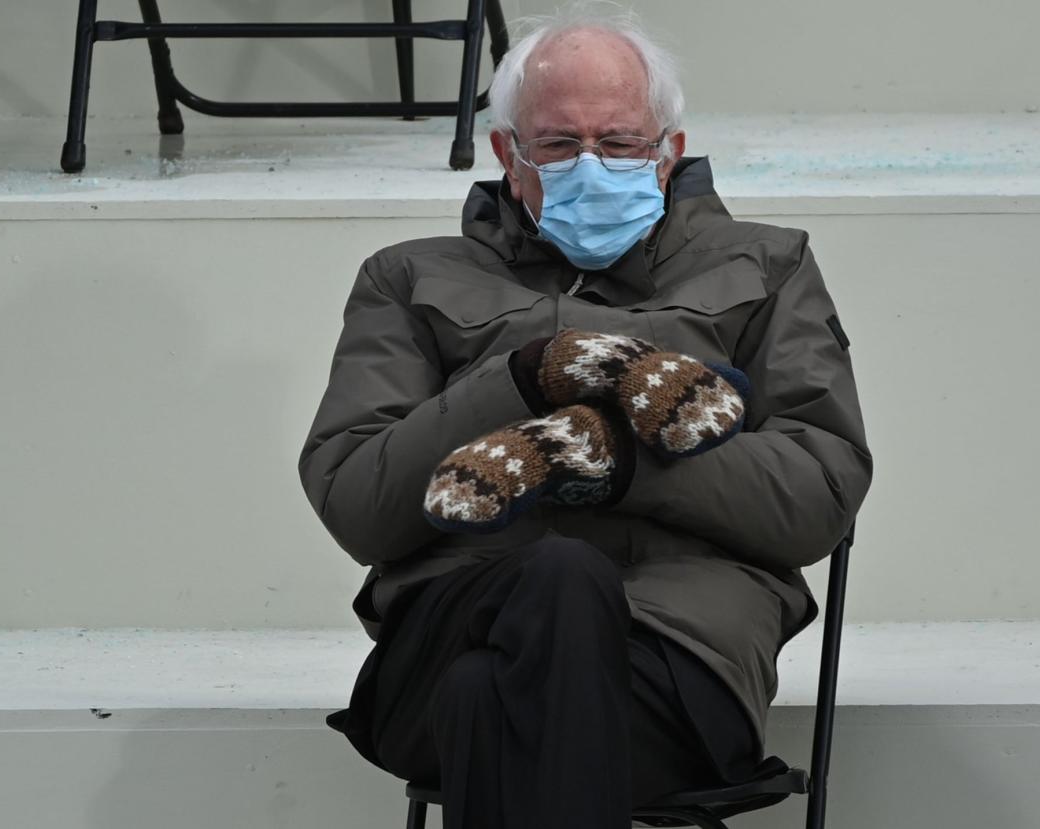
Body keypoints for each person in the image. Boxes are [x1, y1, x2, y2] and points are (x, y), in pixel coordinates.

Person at [298, 7, 872, 828]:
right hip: (454, 622)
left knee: (487, 695)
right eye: (561, 144)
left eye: (621, 142)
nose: (592, 165)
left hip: (672, 663)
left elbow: (817, 497)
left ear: (669, 151)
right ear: (508, 154)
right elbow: (358, 501)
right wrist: (524, 378)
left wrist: (615, 461)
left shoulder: (769, 267)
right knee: (552, 586)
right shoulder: (407, 278)